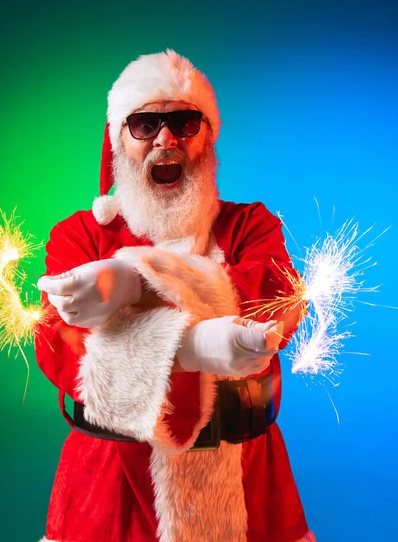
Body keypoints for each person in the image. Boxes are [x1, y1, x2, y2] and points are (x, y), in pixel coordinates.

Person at [35, 49, 316, 542]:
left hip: (249, 477)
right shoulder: (79, 237)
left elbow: (273, 301)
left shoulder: (251, 226)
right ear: (119, 140)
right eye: (144, 124)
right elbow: (62, 347)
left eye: (185, 122)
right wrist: (198, 346)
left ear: (208, 137)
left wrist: (131, 283)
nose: (166, 138)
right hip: (112, 482)